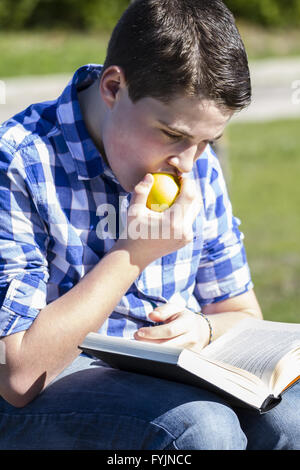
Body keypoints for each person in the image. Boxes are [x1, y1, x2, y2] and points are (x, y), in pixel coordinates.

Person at [0, 0, 299, 451]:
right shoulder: (21, 161)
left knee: (291, 420)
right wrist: (132, 254)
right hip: (44, 390)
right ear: (114, 86)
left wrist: (204, 328)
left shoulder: (197, 164)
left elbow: (240, 312)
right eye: (172, 134)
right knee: (201, 429)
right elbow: (18, 377)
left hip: (165, 375)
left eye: (206, 141)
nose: (187, 162)